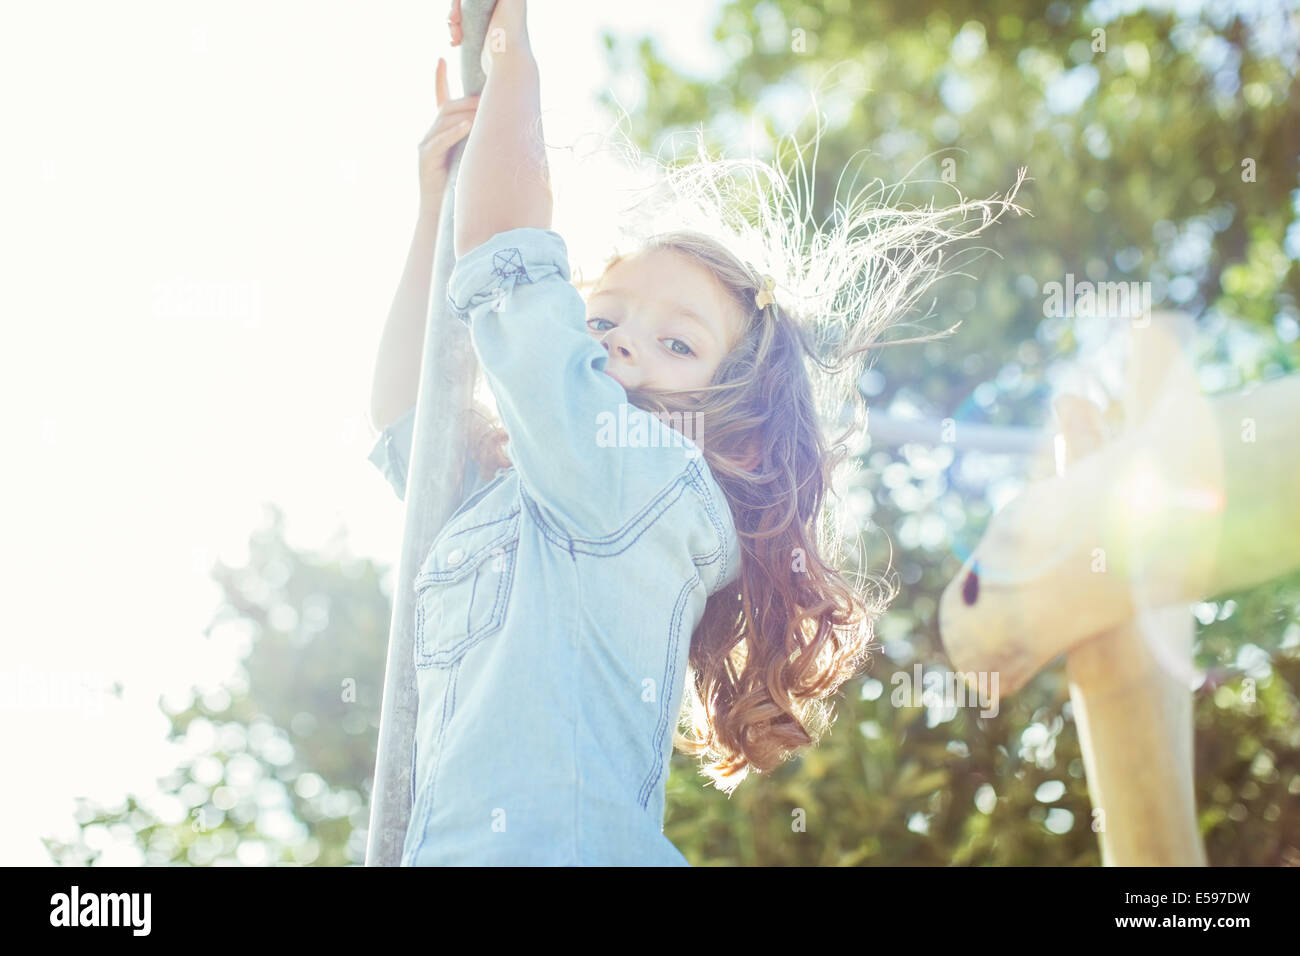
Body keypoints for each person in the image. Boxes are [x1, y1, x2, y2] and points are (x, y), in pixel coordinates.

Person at [367, 0, 1026, 865]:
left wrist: (512, 49)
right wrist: (433, 216)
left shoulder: (640, 480)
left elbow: (509, 255)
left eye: (678, 342)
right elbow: (410, 419)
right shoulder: (517, 495)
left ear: (730, 429)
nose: (624, 340)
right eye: (603, 319)